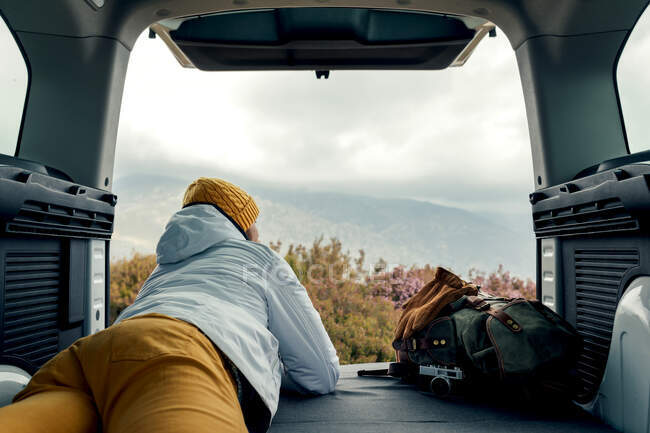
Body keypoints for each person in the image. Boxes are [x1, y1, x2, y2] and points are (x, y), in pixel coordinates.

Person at [0, 177, 340, 433]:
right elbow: (320, 373)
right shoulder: (258, 257)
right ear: (244, 226)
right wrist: (266, 364)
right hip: (176, 358)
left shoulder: (163, 267)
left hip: (90, 356)